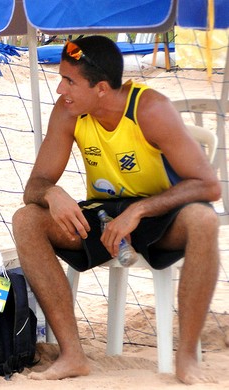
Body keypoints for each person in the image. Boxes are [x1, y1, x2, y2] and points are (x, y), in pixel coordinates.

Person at [12, 36, 220, 385]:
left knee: (204, 219)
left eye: (70, 81)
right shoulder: (68, 110)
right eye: (61, 77)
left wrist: (140, 210)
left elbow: (207, 186)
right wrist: (52, 192)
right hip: (105, 215)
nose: (60, 88)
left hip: (160, 215)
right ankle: (72, 354)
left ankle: (186, 359)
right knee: (27, 220)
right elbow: (34, 186)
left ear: (102, 89)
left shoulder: (150, 109)